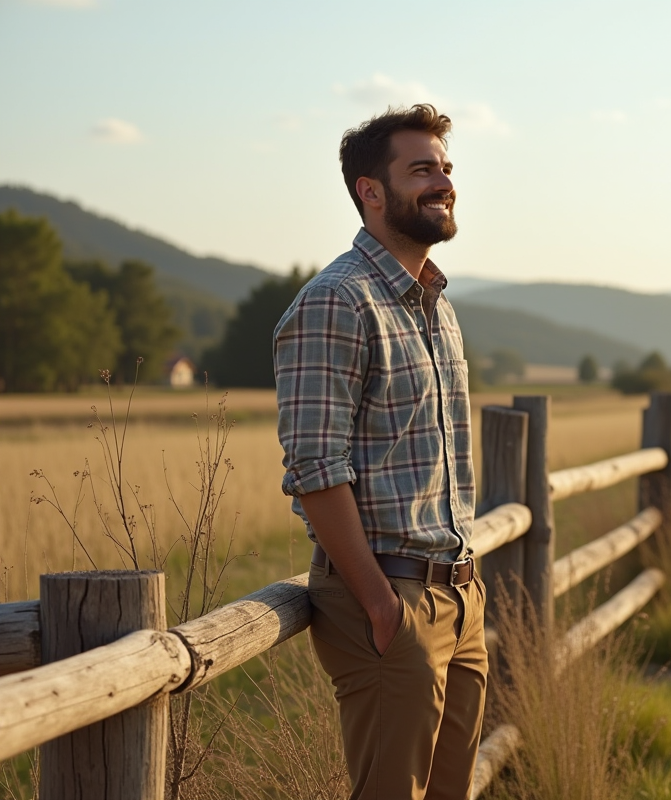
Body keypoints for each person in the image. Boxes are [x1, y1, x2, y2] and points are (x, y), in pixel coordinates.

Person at [273, 104, 486, 800]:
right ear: (370, 190)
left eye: (446, 169)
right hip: (391, 601)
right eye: (422, 169)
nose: (444, 182)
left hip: (459, 597)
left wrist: (465, 593)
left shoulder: (434, 304)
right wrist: (378, 603)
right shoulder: (337, 302)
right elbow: (315, 469)